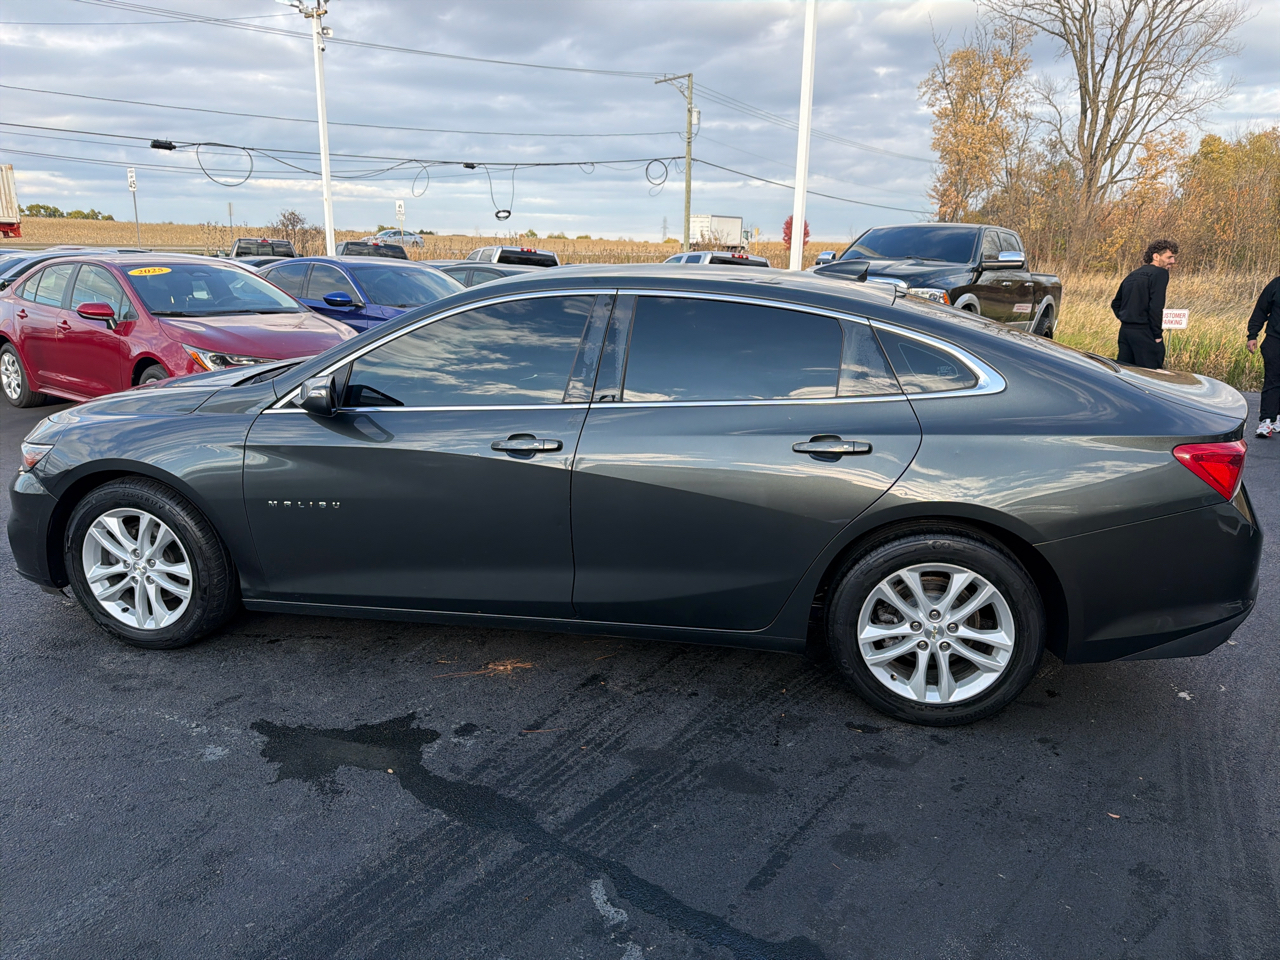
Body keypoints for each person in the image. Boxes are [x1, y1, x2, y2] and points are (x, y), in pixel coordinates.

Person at [1112, 239, 1178, 369]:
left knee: (1126, 375)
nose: (1173, 261)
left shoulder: (1132, 274)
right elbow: (1156, 307)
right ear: (1156, 256)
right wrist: (1157, 335)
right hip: (1145, 333)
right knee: (1151, 377)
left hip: (1125, 332)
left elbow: (1116, 303)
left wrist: (1127, 318)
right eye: (1169, 257)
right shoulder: (1160, 273)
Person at [1247, 273, 1279, 439]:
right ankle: (1266, 421)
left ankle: (1278, 416)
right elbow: (1260, 311)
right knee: (1272, 380)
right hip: (1275, 339)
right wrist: (1252, 335)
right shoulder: (1275, 285)